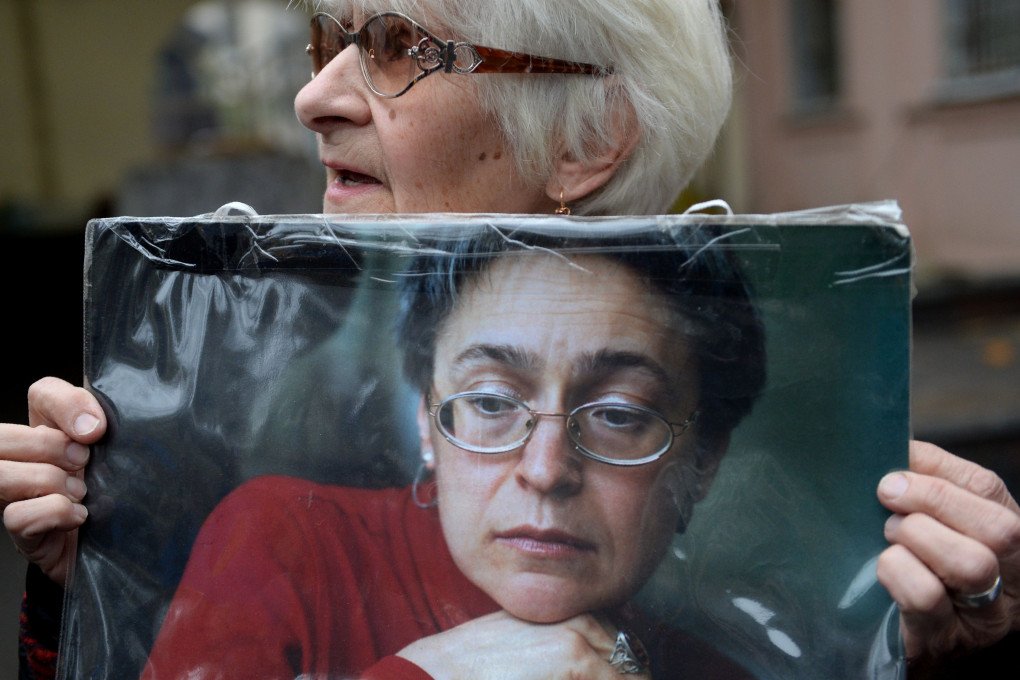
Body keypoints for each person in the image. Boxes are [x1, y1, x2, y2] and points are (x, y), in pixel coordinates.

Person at [1, 0, 1017, 677]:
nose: (312, 97)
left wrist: (944, 655)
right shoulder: (281, 531)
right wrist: (82, 591)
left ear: (588, 137)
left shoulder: (740, 639)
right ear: (426, 415)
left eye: (396, 46)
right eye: (488, 402)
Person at [131, 226, 765, 678]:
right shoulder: (287, 544)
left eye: (619, 415)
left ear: (704, 461)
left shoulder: (710, 673)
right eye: (489, 402)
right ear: (426, 420)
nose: (545, 470)